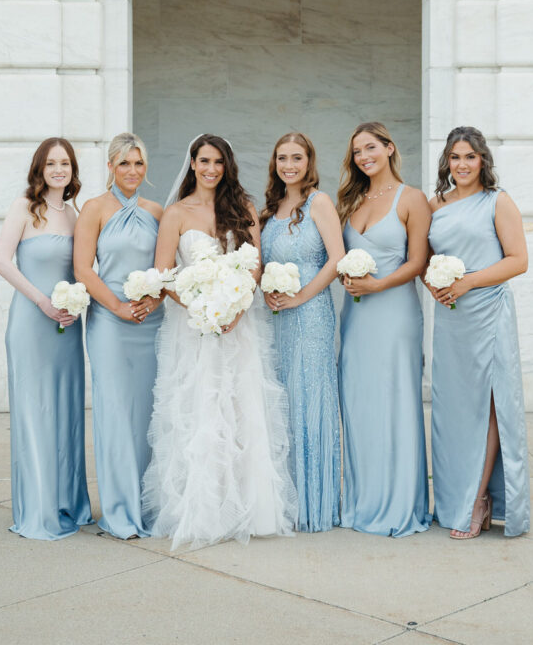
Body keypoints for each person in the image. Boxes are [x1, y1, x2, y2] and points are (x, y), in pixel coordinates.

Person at [141, 134, 297, 549]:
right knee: (200, 410)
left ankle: (249, 507)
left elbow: (255, 265)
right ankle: (204, 510)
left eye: (218, 162)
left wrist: (234, 309)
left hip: (238, 326)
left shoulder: (242, 207)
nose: (211, 169)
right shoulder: (175, 213)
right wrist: (201, 307)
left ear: (227, 166)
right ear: (192, 163)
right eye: (204, 161)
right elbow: (163, 274)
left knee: (240, 408)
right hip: (193, 329)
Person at [426, 126, 530, 538]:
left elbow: (518, 260)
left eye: (470, 156)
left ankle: (479, 499)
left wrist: (469, 281)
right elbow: (427, 258)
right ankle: (454, 498)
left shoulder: (497, 202)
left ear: (482, 160)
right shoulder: (436, 204)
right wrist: (434, 284)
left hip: (487, 314)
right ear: (447, 163)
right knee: (453, 411)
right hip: (450, 318)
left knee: (486, 406)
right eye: (455, 157)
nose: (463, 164)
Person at [0, 137, 92, 539]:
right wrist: (41, 301)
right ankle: (38, 508)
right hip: (32, 324)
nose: (58, 170)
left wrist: (76, 304)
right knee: (35, 411)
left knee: (66, 411)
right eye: (51, 163)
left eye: (65, 163)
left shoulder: (75, 213)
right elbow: (1, 261)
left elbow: (83, 269)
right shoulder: (24, 207)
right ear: (40, 168)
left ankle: (66, 500)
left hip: (66, 328)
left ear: (72, 171)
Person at [337, 121, 431, 536]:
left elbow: (417, 262)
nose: (364, 156)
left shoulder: (412, 198)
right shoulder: (351, 199)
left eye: (371, 147)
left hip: (395, 314)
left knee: (396, 401)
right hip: (356, 316)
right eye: (357, 151)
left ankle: (399, 504)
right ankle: (362, 500)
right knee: (359, 402)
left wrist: (376, 283)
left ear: (390, 148)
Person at [74, 132, 163, 539]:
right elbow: (83, 270)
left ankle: (146, 503)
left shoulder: (157, 211)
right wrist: (116, 306)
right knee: (115, 414)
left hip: (150, 324)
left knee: (148, 414)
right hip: (109, 324)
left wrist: (152, 301)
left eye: (139, 163)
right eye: (124, 163)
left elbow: (165, 270)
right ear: (110, 166)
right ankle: (118, 509)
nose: (132, 171)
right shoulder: (94, 208)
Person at [260, 132, 342, 532]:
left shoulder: (319, 203)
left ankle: (316, 505)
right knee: (283, 404)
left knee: (311, 398)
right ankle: (286, 505)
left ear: (310, 161)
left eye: (296, 158)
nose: (289, 165)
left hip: (311, 317)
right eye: (282, 158)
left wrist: (300, 297)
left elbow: (337, 260)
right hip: (276, 319)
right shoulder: (270, 209)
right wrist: (270, 292)